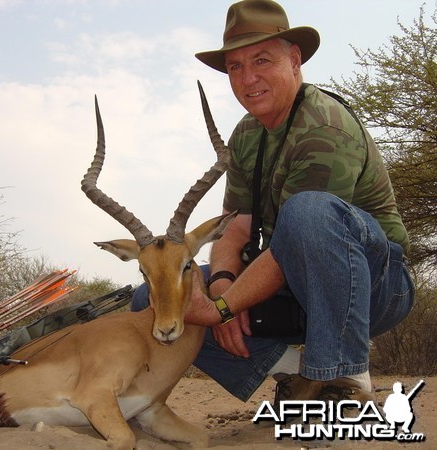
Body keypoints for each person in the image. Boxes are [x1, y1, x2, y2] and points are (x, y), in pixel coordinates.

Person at [132, 0, 414, 405]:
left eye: (262, 60)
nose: (248, 79)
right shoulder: (247, 135)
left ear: (294, 59)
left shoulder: (324, 126)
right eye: (235, 67)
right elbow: (237, 227)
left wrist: (223, 309)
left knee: (309, 213)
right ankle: (292, 372)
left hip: (375, 286)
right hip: (296, 285)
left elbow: (304, 236)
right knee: (155, 298)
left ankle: (344, 376)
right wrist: (222, 284)